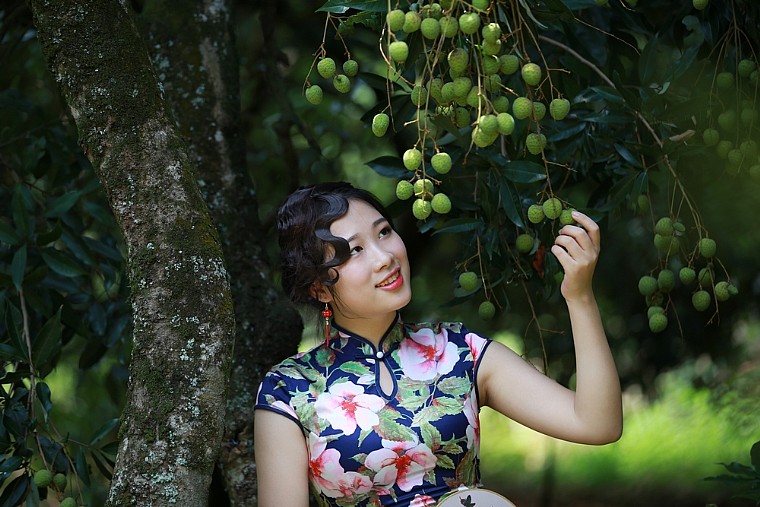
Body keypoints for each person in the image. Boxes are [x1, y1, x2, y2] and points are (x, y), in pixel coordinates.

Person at [254, 181, 622, 507]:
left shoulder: (459, 352)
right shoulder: (288, 390)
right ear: (319, 288)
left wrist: (580, 297)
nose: (385, 257)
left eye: (384, 232)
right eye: (355, 251)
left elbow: (597, 424)